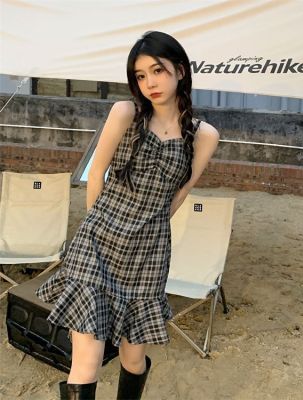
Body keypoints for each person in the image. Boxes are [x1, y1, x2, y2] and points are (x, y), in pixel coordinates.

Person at [35, 30, 219, 400]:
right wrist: (96, 227)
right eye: (140, 75)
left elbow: (182, 190)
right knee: (86, 361)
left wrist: (151, 224)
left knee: (132, 358)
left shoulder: (204, 135)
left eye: (157, 70)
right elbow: (96, 174)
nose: (150, 82)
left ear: (180, 70)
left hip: (148, 254)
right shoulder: (125, 113)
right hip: (98, 243)